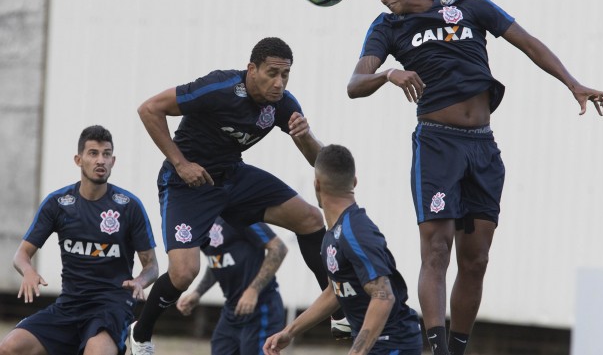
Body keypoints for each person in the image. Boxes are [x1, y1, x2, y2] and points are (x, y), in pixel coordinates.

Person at [347, 0, 603, 355]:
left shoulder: (464, 3)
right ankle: (435, 349)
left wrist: (572, 83)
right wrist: (387, 74)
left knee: (476, 260)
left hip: (482, 147)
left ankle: (457, 349)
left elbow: (527, 42)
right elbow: (355, 83)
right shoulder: (387, 27)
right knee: (437, 250)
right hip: (437, 145)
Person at [131, 36, 348, 354]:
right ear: (251, 69)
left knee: (310, 219)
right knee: (183, 273)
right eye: (272, 73)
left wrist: (307, 136)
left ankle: (338, 313)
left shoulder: (282, 104)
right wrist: (181, 163)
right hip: (188, 184)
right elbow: (149, 108)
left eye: (285, 75)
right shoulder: (218, 87)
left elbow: (317, 161)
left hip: (232, 177)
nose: (279, 83)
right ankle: (141, 332)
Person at [0, 125, 158, 355]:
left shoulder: (129, 206)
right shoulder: (58, 203)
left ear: (113, 160)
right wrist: (28, 271)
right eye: (93, 153)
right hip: (69, 306)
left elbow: (152, 266)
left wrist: (140, 281)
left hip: (111, 306)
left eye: (106, 154)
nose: (100, 160)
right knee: (9, 347)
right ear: (78, 159)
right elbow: (21, 255)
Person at [263, 144, 423, 355]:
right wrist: (289, 332)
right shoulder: (333, 233)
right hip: (377, 345)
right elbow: (335, 291)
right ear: (354, 182)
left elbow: (384, 296)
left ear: (317, 185)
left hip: (393, 344)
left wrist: (356, 352)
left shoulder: (355, 231)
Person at [176, 217, 288, 355]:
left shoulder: (240, 214)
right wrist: (198, 292)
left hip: (261, 309)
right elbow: (218, 261)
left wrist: (253, 290)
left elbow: (279, 248)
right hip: (231, 312)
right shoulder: (199, 223)